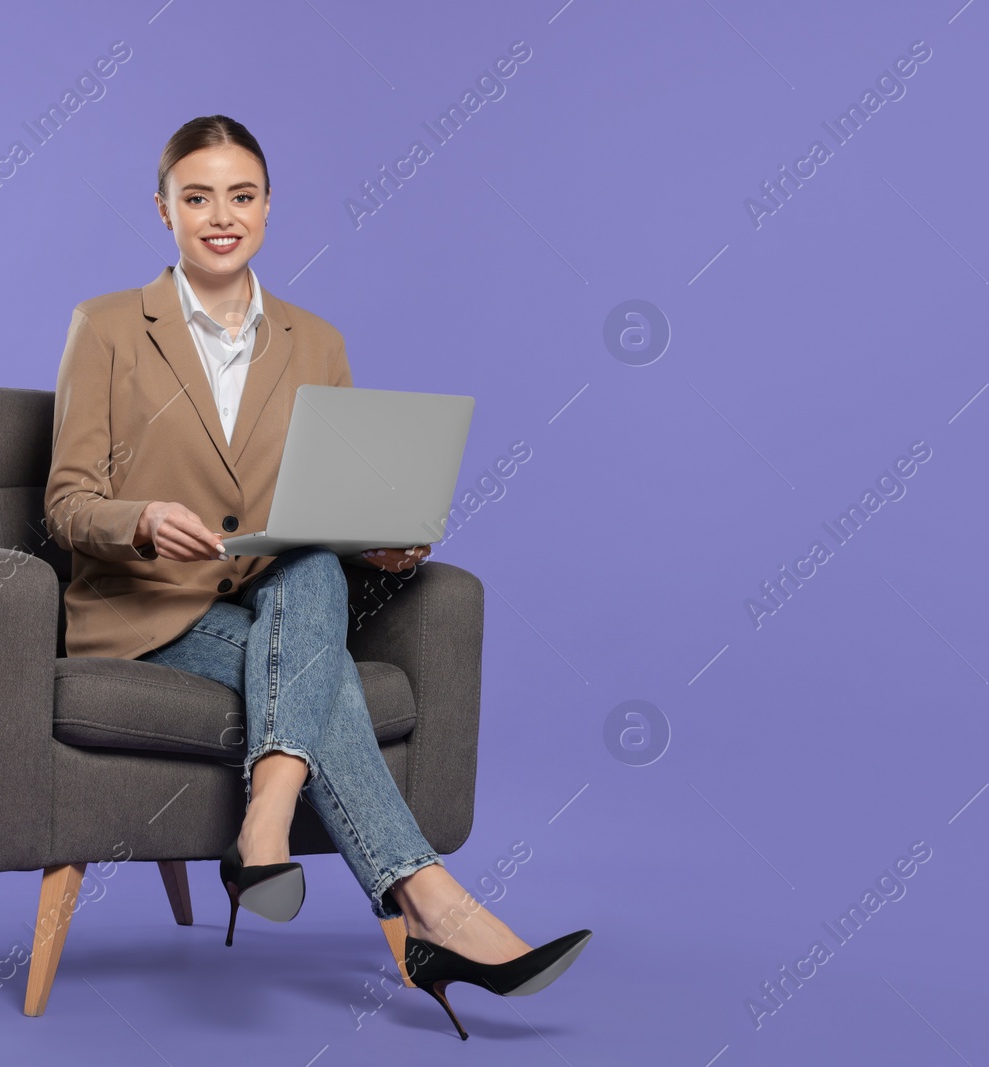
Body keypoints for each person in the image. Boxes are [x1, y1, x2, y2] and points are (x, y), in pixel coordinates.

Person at [44, 115, 588, 1039]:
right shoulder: (105, 326)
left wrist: (380, 542)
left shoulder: (317, 341)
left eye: (243, 196)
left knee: (312, 568)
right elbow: (63, 502)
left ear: (268, 208)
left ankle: (269, 823)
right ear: (164, 209)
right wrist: (137, 520)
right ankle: (437, 909)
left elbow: (323, 500)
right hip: (147, 612)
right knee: (321, 665)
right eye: (199, 197)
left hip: (274, 594)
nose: (223, 216)